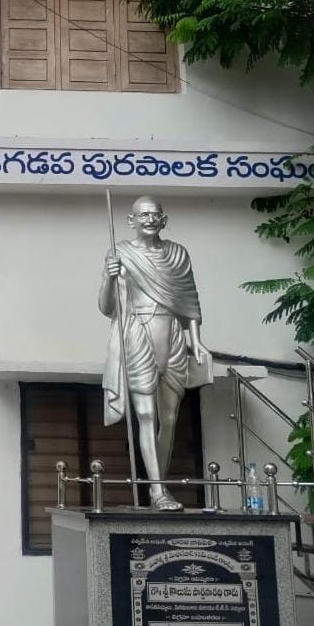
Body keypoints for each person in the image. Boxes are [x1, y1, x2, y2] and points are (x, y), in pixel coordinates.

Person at [99, 195, 207, 511]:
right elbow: (108, 308)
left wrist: (195, 340)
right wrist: (109, 276)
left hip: (172, 333)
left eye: (154, 214)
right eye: (142, 215)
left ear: (164, 220)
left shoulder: (178, 254)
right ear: (131, 221)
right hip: (137, 332)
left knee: (170, 417)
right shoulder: (120, 253)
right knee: (146, 414)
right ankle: (159, 491)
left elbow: (189, 299)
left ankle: (155, 484)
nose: (149, 219)